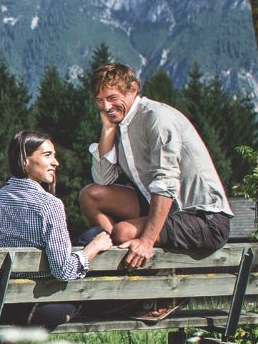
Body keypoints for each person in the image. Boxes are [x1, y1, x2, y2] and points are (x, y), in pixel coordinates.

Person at [79, 62, 233, 274]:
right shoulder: (120, 124)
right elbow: (103, 179)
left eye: (112, 98)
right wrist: (107, 129)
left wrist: (146, 241)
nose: (106, 107)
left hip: (203, 218)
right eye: (99, 101)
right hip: (163, 208)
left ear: (133, 88)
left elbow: (166, 182)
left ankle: (148, 287)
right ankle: (117, 262)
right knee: (91, 195)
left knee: (123, 232)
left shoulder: (156, 118)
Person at [0, 129, 116, 330]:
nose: (56, 163)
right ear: (24, 160)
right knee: (95, 237)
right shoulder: (48, 205)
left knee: (89, 235)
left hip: (5, 307)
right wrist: (94, 247)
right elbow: (64, 271)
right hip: (44, 307)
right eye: (47, 155)